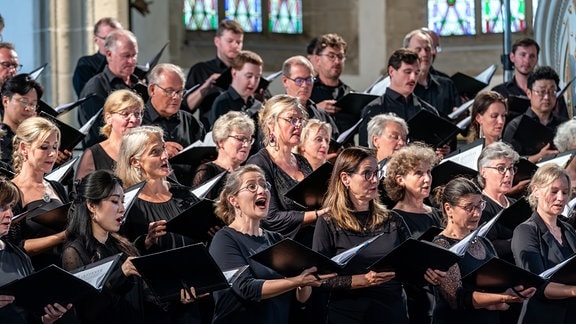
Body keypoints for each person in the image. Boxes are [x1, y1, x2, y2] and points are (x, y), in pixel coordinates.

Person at [313, 146, 445, 323]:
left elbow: (410, 266)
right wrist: (362, 280)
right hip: (350, 315)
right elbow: (319, 280)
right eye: (367, 173)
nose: (375, 180)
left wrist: (428, 273)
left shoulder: (392, 219)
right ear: (345, 178)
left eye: (376, 173)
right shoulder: (329, 222)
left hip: (392, 312)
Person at [209, 164, 334, 323]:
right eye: (252, 186)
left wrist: (305, 282)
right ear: (234, 200)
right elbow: (247, 288)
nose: (262, 191)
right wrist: (297, 281)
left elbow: (300, 300)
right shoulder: (224, 239)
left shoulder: (277, 240)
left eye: (264, 185)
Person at [115, 126, 203, 323]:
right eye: (155, 152)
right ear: (135, 161)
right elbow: (121, 255)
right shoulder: (126, 203)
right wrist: (144, 242)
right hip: (153, 304)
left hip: (191, 294)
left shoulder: (184, 195)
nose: (165, 156)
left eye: (163, 149)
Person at [432, 177, 536, 323]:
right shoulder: (442, 246)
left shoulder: (483, 241)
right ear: (448, 209)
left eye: (480, 205)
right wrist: (503, 297)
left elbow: (499, 286)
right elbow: (458, 299)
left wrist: (511, 294)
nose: (476, 213)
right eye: (469, 207)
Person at [62, 170, 144, 323]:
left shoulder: (124, 246)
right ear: (92, 206)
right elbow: (86, 311)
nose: (122, 209)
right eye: (114, 201)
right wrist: (121, 275)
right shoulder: (75, 252)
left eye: (122, 201)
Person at [246, 94, 325, 241]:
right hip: (280, 247)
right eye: (291, 119)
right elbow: (270, 218)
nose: (298, 125)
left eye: (301, 120)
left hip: (314, 240)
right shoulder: (258, 164)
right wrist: (318, 215)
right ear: (271, 123)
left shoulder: (302, 161)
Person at [0, 176, 73, 324]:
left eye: (11, 207)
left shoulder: (19, 256)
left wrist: (45, 318)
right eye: (2, 207)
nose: (10, 214)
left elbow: (29, 314)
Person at [384, 143, 442, 324]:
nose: (427, 179)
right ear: (400, 180)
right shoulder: (392, 218)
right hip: (413, 301)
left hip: (441, 296)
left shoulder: (437, 213)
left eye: (429, 172)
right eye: (419, 173)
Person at [511, 164, 576, 323]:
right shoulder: (525, 231)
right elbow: (536, 286)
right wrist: (573, 291)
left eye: (565, 192)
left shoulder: (567, 229)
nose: (560, 198)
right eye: (554, 191)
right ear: (536, 190)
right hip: (541, 317)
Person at [7, 117, 69, 269]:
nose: (53, 154)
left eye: (55, 147)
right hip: (33, 275)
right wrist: (61, 237)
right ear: (23, 148)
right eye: (44, 147)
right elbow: (13, 247)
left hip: (63, 272)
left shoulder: (56, 187)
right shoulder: (11, 192)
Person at [141, 63, 205, 186]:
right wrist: (159, 150)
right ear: (152, 89)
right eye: (169, 91)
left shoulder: (191, 122)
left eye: (180, 92)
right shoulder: (136, 121)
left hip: (189, 192)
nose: (176, 97)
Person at [358, 48, 439, 146]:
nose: (413, 78)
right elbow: (365, 151)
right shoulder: (373, 109)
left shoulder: (429, 111)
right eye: (408, 72)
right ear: (391, 71)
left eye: (416, 73)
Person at [79, 29, 141, 148]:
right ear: (109, 54)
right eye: (126, 56)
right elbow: (101, 133)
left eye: (134, 55)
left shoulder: (139, 84)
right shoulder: (95, 88)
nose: (132, 61)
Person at [492, 38, 569, 122]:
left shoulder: (552, 90)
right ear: (512, 57)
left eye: (532, 56)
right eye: (523, 55)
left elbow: (563, 123)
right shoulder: (499, 92)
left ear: (537, 59)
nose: (527, 60)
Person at [185, 19, 244, 127]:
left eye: (239, 42)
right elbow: (185, 107)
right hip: (211, 131)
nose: (235, 46)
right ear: (217, 41)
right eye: (230, 41)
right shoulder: (201, 69)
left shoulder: (246, 71)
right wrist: (206, 86)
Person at [76, 89, 144, 180]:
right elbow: (81, 192)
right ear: (108, 118)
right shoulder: (93, 154)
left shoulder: (147, 150)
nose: (134, 119)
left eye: (137, 114)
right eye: (125, 114)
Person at [503, 66, 566, 162]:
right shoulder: (515, 126)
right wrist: (539, 156)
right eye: (541, 91)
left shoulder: (564, 125)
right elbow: (509, 162)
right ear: (529, 93)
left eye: (552, 91)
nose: (546, 97)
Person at [192, 111, 255, 200]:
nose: (246, 145)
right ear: (221, 141)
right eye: (240, 138)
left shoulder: (247, 173)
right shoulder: (207, 171)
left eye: (249, 140)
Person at [476, 142, 520, 262]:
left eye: (511, 168)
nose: (508, 174)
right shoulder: (479, 206)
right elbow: (488, 247)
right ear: (483, 171)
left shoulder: (517, 204)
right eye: (501, 168)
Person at [281, 55, 339, 138]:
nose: (305, 85)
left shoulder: (322, 115)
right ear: (285, 81)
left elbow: (336, 144)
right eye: (299, 80)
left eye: (309, 80)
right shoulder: (276, 114)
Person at [310, 33, 355, 133]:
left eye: (340, 56)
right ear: (318, 60)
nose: (337, 61)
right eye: (331, 56)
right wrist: (315, 110)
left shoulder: (350, 94)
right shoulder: (307, 90)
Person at [209, 50, 263, 126]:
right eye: (249, 76)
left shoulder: (258, 106)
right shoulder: (222, 103)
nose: (253, 82)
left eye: (257, 77)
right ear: (234, 73)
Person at [72, 17, 123, 96]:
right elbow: (87, 96)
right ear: (96, 39)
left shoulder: (129, 61)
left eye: (118, 38)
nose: (115, 43)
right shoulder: (86, 64)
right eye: (108, 38)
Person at [0, 74, 42, 165]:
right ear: (5, 101)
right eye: (24, 102)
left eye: (33, 104)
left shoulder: (40, 139)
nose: (28, 108)